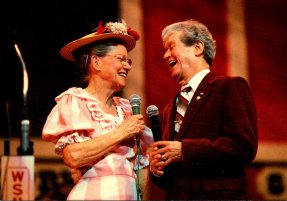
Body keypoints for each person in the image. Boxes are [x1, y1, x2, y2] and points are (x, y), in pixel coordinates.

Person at [42, 19, 153, 200]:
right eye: (121, 59)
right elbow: (73, 156)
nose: (127, 66)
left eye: (129, 60)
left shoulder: (125, 108)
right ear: (96, 62)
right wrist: (121, 132)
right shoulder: (76, 102)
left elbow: (141, 163)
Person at [149, 19, 258, 200]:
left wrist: (185, 150)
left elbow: (243, 147)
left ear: (197, 48)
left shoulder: (228, 87)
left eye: (171, 46)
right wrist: (157, 168)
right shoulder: (169, 109)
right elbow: (169, 179)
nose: (165, 55)